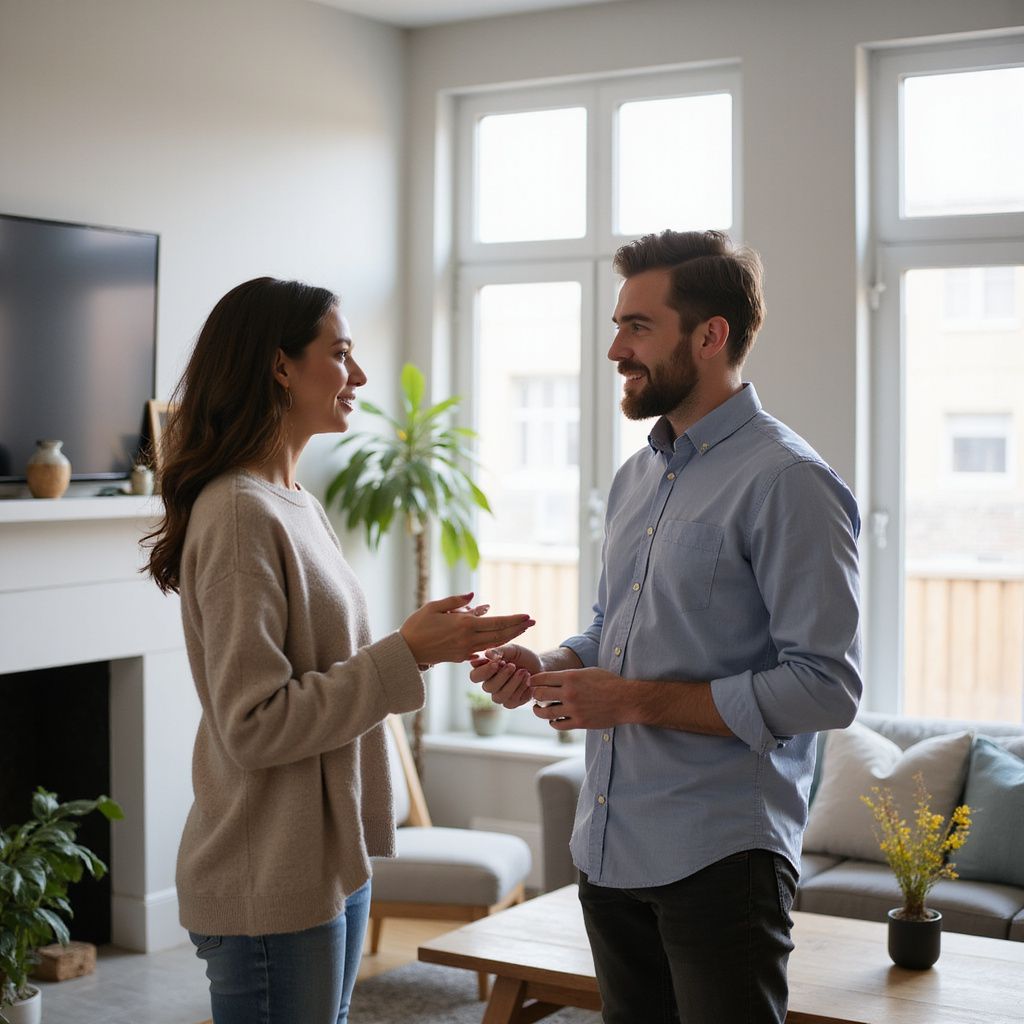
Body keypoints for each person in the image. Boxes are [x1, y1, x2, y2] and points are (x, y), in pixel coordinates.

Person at [470, 230, 861, 1023]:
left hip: (721, 859)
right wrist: (543, 666)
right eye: (618, 325)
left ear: (711, 336)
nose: (616, 348)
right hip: (610, 847)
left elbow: (827, 687)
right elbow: (614, 630)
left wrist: (635, 701)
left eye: (638, 326)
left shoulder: (790, 482)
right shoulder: (636, 476)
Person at [144, 277, 534, 1024]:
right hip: (269, 873)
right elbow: (255, 724)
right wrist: (408, 654)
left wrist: (426, 646)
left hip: (327, 855)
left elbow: (328, 669)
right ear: (280, 367)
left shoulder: (294, 502)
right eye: (342, 354)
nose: (358, 377)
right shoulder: (236, 514)